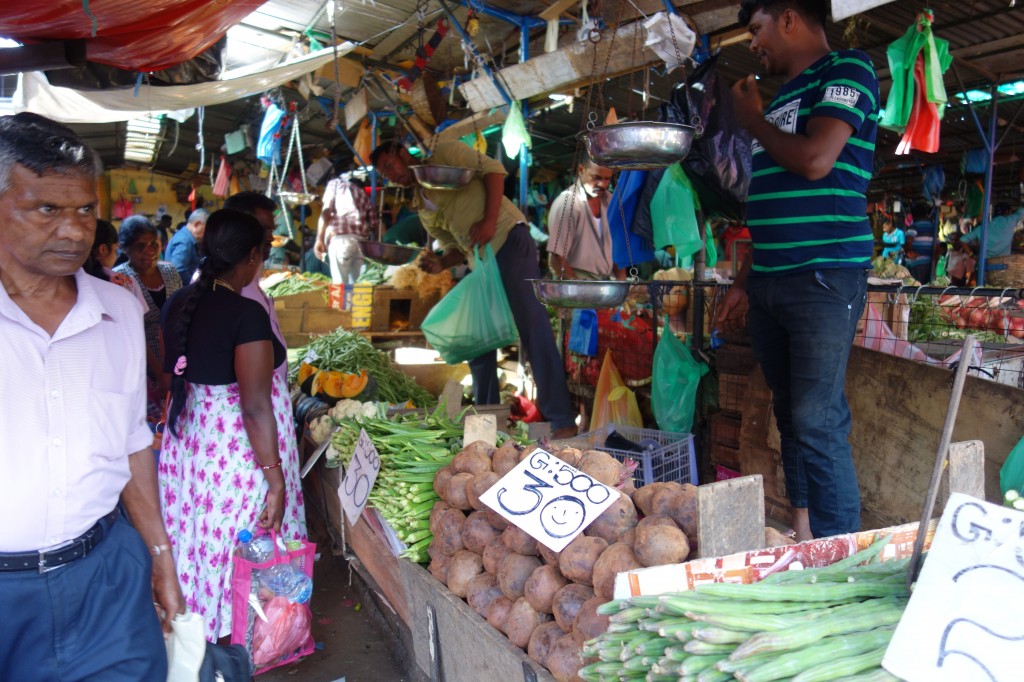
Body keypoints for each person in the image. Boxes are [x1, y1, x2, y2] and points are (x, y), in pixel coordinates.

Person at [0, 112, 182, 679]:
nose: (75, 231)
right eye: (47, 209)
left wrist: (159, 556)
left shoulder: (120, 312)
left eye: (84, 209)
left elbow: (132, 441)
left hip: (104, 573)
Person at [717, 0, 877, 541]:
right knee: (790, 416)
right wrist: (743, 281)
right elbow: (774, 201)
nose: (754, 43)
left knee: (817, 418)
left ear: (788, 18)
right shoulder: (782, 95)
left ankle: (843, 563)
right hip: (771, 279)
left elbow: (815, 160)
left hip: (824, 275)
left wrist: (753, 121)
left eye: (757, 29)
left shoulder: (846, 70)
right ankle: (806, 535)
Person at [159, 208, 306, 641]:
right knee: (241, 544)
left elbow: (169, 376)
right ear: (253, 257)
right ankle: (247, 640)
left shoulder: (179, 303)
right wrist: (276, 483)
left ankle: (205, 631)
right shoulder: (246, 314)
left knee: (204, 538)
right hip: (238, 457)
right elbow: (255, 407)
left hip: (192, 445)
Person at [371, 140, 577, 438]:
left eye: (389, 166)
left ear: (402, 152)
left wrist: (489, 220)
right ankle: (487, 420)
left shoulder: (444, 154)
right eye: (383, 173)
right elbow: (456, 247)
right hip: (481, 262)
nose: (389, 175)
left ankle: (562, 421)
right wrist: (440, 264)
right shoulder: (421, 204)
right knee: (477, 341)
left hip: (508, 240)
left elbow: (494, 171)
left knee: (533, 326)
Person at [115, 215, 183, 423]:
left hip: (175, 360)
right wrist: (159, 371)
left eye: (154, 243)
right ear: (126, 249)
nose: (150, 250)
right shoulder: (121, 279)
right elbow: (131, 334)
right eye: (140, 246)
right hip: (143, 366)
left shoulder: (170, 271)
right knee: (151, 426)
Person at [224, 191, 289, 385]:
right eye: (263, 229)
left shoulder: (250, 280)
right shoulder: (230, 288)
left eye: (271, 229)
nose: (270, 237)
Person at [546, 156, 620, 280]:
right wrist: (580, 289)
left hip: (605, 283)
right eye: (596, 177)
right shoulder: (568, 204)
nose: (602, 184)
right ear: (581, 170)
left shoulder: (611, 202)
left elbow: (617, 249)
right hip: (575, 283)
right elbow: (556, 259)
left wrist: (622, 286)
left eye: (607, 179)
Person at [314, 175, 376, 298]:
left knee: (339, 286)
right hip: (362, 245)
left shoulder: (336, 183)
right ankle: (354, 316)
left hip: (342, 241)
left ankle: (339, 316)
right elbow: (375, 224)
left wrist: (319, 239)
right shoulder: (364, 195)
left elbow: (326, 212)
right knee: (358, 289)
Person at [165, 207, 208, 283]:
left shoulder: (185, 237)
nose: (207, 233)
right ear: (197, 224)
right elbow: (178, 270)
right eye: (206, 228)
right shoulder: (184, 241)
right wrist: (194, 285)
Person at [904, 201, 938, 283]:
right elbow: (937, 248)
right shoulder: (934, 228)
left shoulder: (914, 226)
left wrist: (908, 251)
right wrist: (934, 264)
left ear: (914, 215)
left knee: (915, 289)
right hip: (929, 264)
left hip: (917, 263)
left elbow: (908, 242)